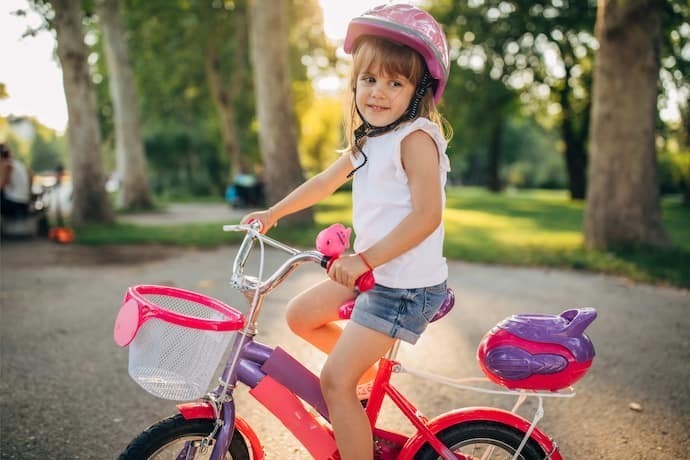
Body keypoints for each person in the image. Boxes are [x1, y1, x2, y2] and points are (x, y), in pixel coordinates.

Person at [241, 4, 451, 459]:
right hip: (375, 277)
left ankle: (349, 389)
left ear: (418, 93)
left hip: (405, 289)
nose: (378, 92)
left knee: (333, 381)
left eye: (395, 83)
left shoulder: (416, 138)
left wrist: (364, 259)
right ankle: (363, 377)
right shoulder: (370, 139)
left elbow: (426, 216)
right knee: (300, 316)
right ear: (354, 83)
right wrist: (273, 213)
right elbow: (323, 182)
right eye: (369, 80)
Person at [0, 143, 31, 218]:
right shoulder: (18, 164)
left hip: (16, 203)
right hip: (24, 202)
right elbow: (31, 177)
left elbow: (1, 186)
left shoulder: (6, 165)